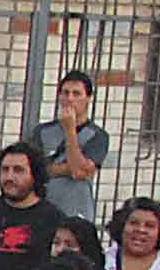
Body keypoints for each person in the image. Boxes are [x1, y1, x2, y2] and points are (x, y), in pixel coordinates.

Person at [29, 72, 106, 220]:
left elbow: (79, 172)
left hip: (76, 212)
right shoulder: (42, 131)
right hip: (43, 211)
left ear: (89, 98)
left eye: (76, 94)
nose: (70, 99)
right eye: (65, 93)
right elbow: (34, 170)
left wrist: (70, 130)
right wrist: (65, 168)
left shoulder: (98, 136)